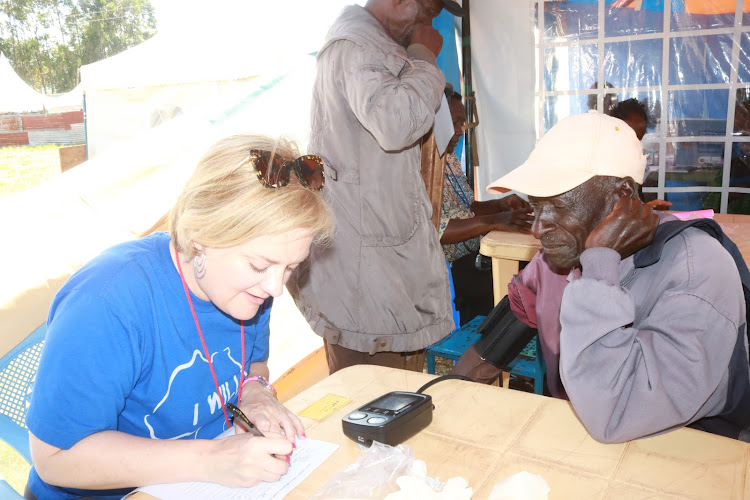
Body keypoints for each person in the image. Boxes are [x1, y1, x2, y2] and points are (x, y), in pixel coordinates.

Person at [24, 135, 335, 499]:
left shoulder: (249, 288)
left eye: (291, 267)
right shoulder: (107, 303)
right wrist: (211, 459)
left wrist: (255, 393)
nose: (276, 288)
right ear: (200, 236)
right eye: (259, 265)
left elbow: (253, 365)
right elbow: (55, 458)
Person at [479, 111, 750, 443]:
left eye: (559, 206)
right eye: (536, 206)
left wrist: (599, 267)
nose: (537, 229)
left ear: (621, 194)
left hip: (687, 455)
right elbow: (516, 317)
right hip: (586, 440)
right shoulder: (557, 258)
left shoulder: (697, 271)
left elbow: (618, 413)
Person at [290, 0, 462, 374]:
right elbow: (396, 122)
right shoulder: (358, 46)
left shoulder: (365, 47)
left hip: (372, 264)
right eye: (430, 11)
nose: (432, 25)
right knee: (373, 402)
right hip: (364, 273)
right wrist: (423, 54)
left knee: (383, 399)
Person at [440, 87, 533, 325]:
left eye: (462, 123)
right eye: (454, 123)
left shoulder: (448, 157)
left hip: (473, 255)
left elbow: (465, 208)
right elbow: (438, 231)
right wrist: (494, 221)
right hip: (459, 267)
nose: (460, 131)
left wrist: (498, 205)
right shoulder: (420, 165)